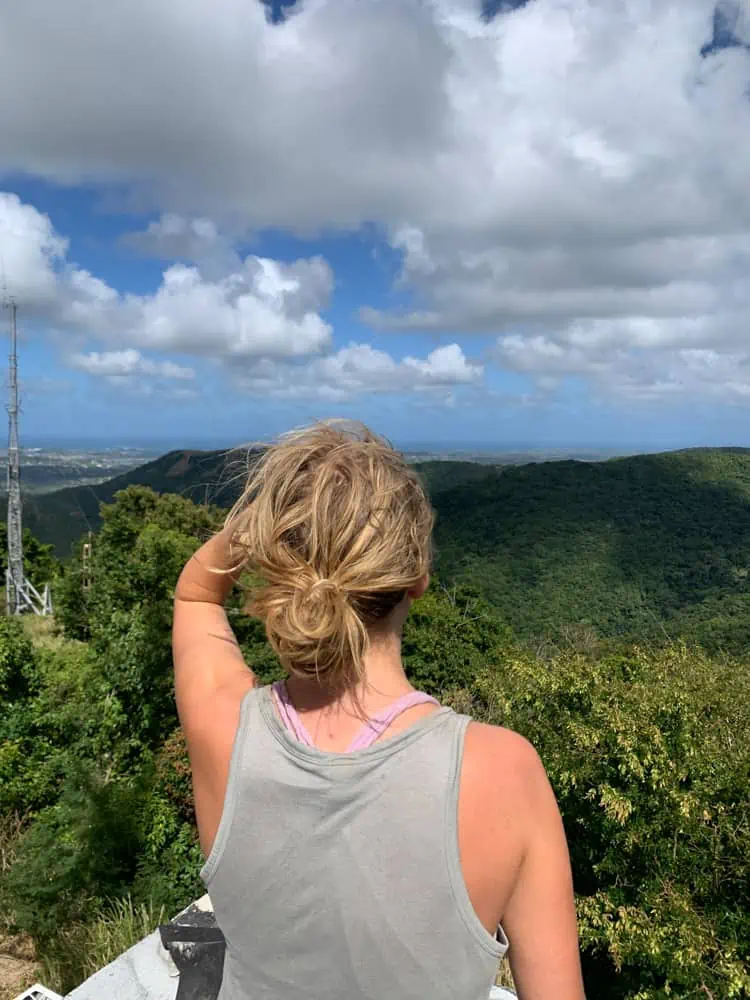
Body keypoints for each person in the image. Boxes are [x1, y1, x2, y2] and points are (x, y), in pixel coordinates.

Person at [172, 421, 586, 1000]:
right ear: (416, 579)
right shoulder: (504, 772)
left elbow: (196, 591)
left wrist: (275, 517)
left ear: (282, 563)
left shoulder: (225, 729)